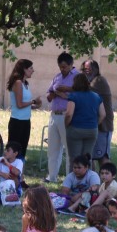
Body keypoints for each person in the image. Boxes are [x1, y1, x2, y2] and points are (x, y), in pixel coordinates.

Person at [44, 52, 77, 183]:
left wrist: (66, 90)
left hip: (66, 114)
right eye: (60, 67)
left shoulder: (77, 76)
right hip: (54, 115)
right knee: (53, 148)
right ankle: (52, 176)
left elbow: (81, 91)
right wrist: (53, 93)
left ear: (71, 65)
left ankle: (69, 177)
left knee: (69, 148)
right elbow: (49, 94)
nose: (62, 69)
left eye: (64, 67)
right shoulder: (57, 77)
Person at [64, 73, 105, 162]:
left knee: (75, 159)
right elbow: (103, 114)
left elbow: (69, 114)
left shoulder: (73, 96)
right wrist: (95, 124)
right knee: (87, 158)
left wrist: (66, 124)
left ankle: (75, 171)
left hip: (75, 129)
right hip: (92, 130)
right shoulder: (96, 96)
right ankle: (87, 171)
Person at [6, 59, 42, 159]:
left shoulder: (25, 84)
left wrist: (36, 105)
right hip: (17, 122)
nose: (33, 70)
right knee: (13, 152)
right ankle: (10, 168)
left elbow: (25, 105)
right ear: (24, 69)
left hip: (26, 121)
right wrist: (33, 101)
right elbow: (20, 104)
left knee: (22, 150)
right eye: (31, 68)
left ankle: (20, 168)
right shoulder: (18, 83)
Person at [81, 59, 114, 165]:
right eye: (84, 69)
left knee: (102, 157)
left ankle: (108, 176)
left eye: (88, 69)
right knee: (90, 156)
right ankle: (94, 177)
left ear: (96, 69)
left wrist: (63, 90)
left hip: (103, 126)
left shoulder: (99, 80)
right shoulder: (90, 82)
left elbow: (82, 91)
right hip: (94, 125)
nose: (86, 71)